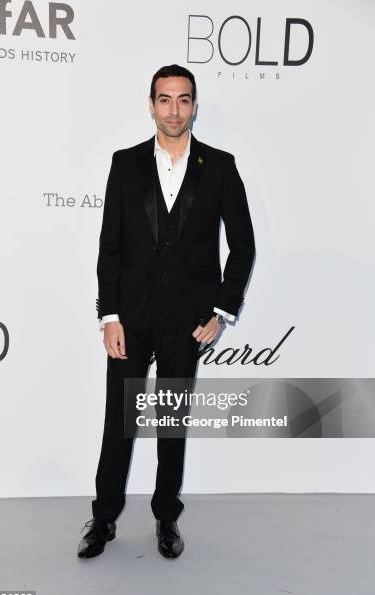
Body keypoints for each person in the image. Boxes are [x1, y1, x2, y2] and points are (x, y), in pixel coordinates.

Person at [77, 64, 255, 560]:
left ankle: (164, 517)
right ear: (151, 104)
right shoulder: (125, 163)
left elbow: (242, 246)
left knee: (170, 421)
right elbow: (109, 247)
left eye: (183, 100)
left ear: (194, 106)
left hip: (190, 319)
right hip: (131, 318)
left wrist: (222, 309)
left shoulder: (219, 166)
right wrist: (108, 316)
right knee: (121, 420)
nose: (174, 110)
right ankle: (104, 516)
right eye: (164, 99)